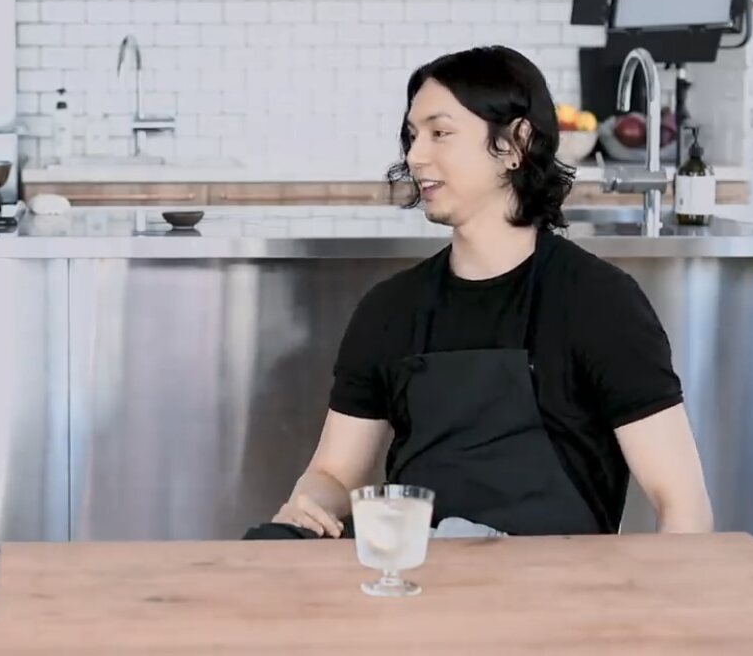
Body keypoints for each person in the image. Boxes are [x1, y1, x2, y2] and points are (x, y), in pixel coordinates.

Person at [271, 46, 713, 539]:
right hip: (417, 570)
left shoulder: (600, 302)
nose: (415, 156)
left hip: (554, 579)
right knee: (268, 545)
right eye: (412, 136)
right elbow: (334, 473)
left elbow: (683, 506)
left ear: (515, 142)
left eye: (440, 133)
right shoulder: (390, 308)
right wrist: (309, 501)